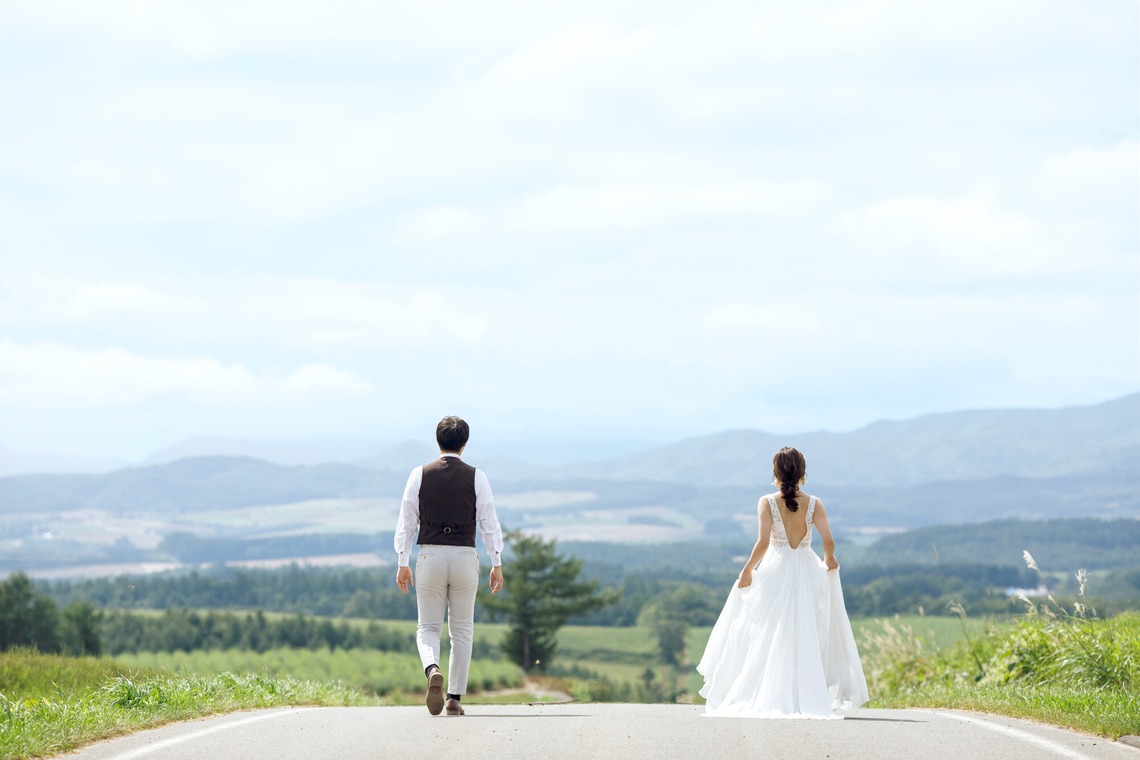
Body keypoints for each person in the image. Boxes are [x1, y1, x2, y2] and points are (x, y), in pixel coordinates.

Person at [697, 446, 868, 718]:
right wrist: (829, 558)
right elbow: (828, 539)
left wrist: (747, 570)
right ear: (803, 472)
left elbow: (763, 543)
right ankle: (802, 692)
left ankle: (770, 690)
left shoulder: (766, 501)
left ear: (775, 472)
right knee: (805, 630)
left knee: (769, 630)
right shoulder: (815, 503)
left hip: (776, 570)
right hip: (807, 568)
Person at [394, 416, 504, 716]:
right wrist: (496, 561)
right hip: (464, 557)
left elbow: (407, 523)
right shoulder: (477, 477)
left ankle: (432, 669)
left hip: (430, 555)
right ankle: (454, 698)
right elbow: (489, 524)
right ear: (464, 444)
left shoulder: (419, 474)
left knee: (428, 626)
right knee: (462, 629)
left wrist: (402, 561)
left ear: (437, 441)